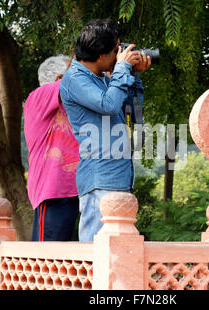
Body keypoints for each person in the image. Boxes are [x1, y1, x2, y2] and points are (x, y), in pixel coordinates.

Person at [60, 19, 151, 241]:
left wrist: (134, 75)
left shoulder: (103, 79)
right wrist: (122, 68)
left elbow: (133, 112)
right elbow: (108, 105)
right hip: (99, 179)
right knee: (95, 253)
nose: (120, 54)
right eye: (115, 50)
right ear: (102, 55)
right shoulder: (74, 79)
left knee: (116, 254)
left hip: (118, 177)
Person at [24, 54, 80, 241]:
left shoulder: (69, 106)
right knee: (46, 259)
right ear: (59, 79)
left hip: (74, 189)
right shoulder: (38, 96)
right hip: (53, 191)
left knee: (66, 262)